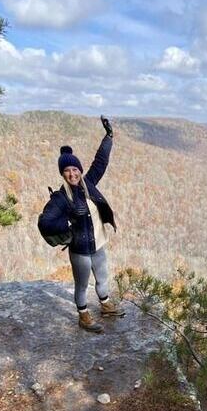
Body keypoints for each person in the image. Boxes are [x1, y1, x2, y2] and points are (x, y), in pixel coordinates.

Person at [45, 115, 124, 333]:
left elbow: (101, 162)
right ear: (63, 174)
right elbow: (45, 222)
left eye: (74, 169)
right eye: (67, 171)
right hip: (80, 250)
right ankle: (83, 316)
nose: (72, 173)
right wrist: (65, 229)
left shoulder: (88, 184)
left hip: (98, 244)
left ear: (79, 170)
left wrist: (108, 137)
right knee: (81, 285)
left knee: (103, 277)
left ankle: (105, 305)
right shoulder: (61, 198)